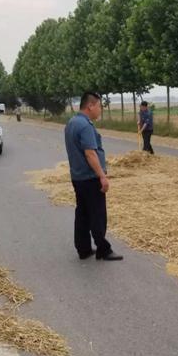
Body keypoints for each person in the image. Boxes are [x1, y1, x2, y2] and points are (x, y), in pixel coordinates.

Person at [64, 91, 123, 261]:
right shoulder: (85, 126)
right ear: (90, 106)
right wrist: (102, 176)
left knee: (82, 213)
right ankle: (103, 249)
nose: (100, 110)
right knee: (97, 214)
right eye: (99, 106)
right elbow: (90, 153)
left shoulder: (71, 123)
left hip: (77, 177)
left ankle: (83, 248)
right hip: (90, 178)